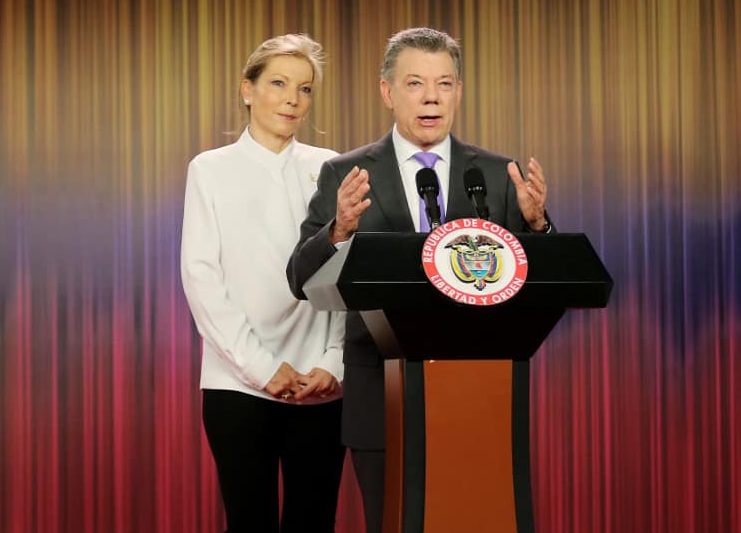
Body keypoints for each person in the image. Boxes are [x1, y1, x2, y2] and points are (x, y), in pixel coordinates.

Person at [285, 27, 553, 533]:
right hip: (380, 398)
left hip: (480, 397)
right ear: (388, 92)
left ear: (457, 91)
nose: (431, 97)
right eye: (415, 83)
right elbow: (301, 279)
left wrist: (538, 226)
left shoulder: (497, 175)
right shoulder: (346, 174)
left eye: (444, 84)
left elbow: (533, 283)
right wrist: (338, 229)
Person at [180, 33, 347, 533]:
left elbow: (348, 271)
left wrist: (333, 363)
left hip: (321, 385)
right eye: (278, 83)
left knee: (312, 521)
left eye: (305, 88)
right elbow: (201, 278)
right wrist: (261, 368)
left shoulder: (332, 167)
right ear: (247, 90)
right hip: (237, 384)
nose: (293, 99)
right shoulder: (210, 170)